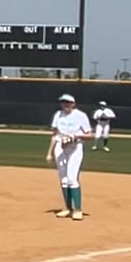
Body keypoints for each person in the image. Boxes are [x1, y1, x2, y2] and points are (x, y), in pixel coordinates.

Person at [47, 93, 94, 221]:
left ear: (73, 104)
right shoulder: (58, 115)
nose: (65, 105)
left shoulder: (80, 116)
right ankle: (67, 208)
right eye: (63, 102)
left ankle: (77, 210)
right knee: (63, 179)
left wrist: (76, 136)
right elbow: (54, 134)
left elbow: (90, 135)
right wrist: (49, 152)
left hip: (75, 148)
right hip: (60, 147)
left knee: (72, 178)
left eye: (68, 102)